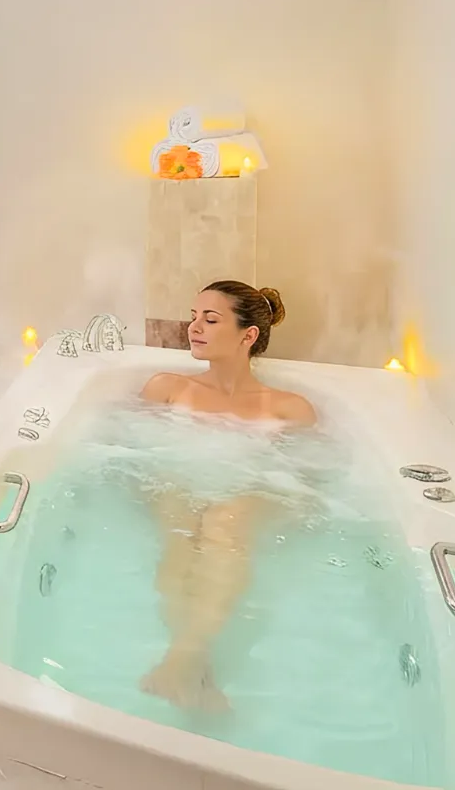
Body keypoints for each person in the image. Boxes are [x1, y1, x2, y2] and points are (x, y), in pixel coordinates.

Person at [135, 281, 315, 712]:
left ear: (247, 335)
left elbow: (308, 478)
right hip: (178, 479)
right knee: (180, 526)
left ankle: (180, 662)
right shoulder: (167, 387)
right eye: (194, 316)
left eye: (210, 319)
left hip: (249, 491)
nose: (193, 327)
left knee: (225, 520)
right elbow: (128, 449)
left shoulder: (289, 408)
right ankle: (192, 665)